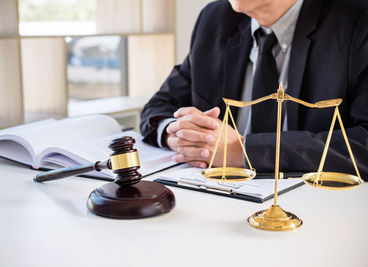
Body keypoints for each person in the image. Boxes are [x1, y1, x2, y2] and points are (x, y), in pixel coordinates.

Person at [140, 0, 368, 179]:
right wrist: (178, 134)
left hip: (316, 206)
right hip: (212, 193)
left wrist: (243, 151)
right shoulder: (215, 19)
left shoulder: (357, 21)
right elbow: (158, 107)